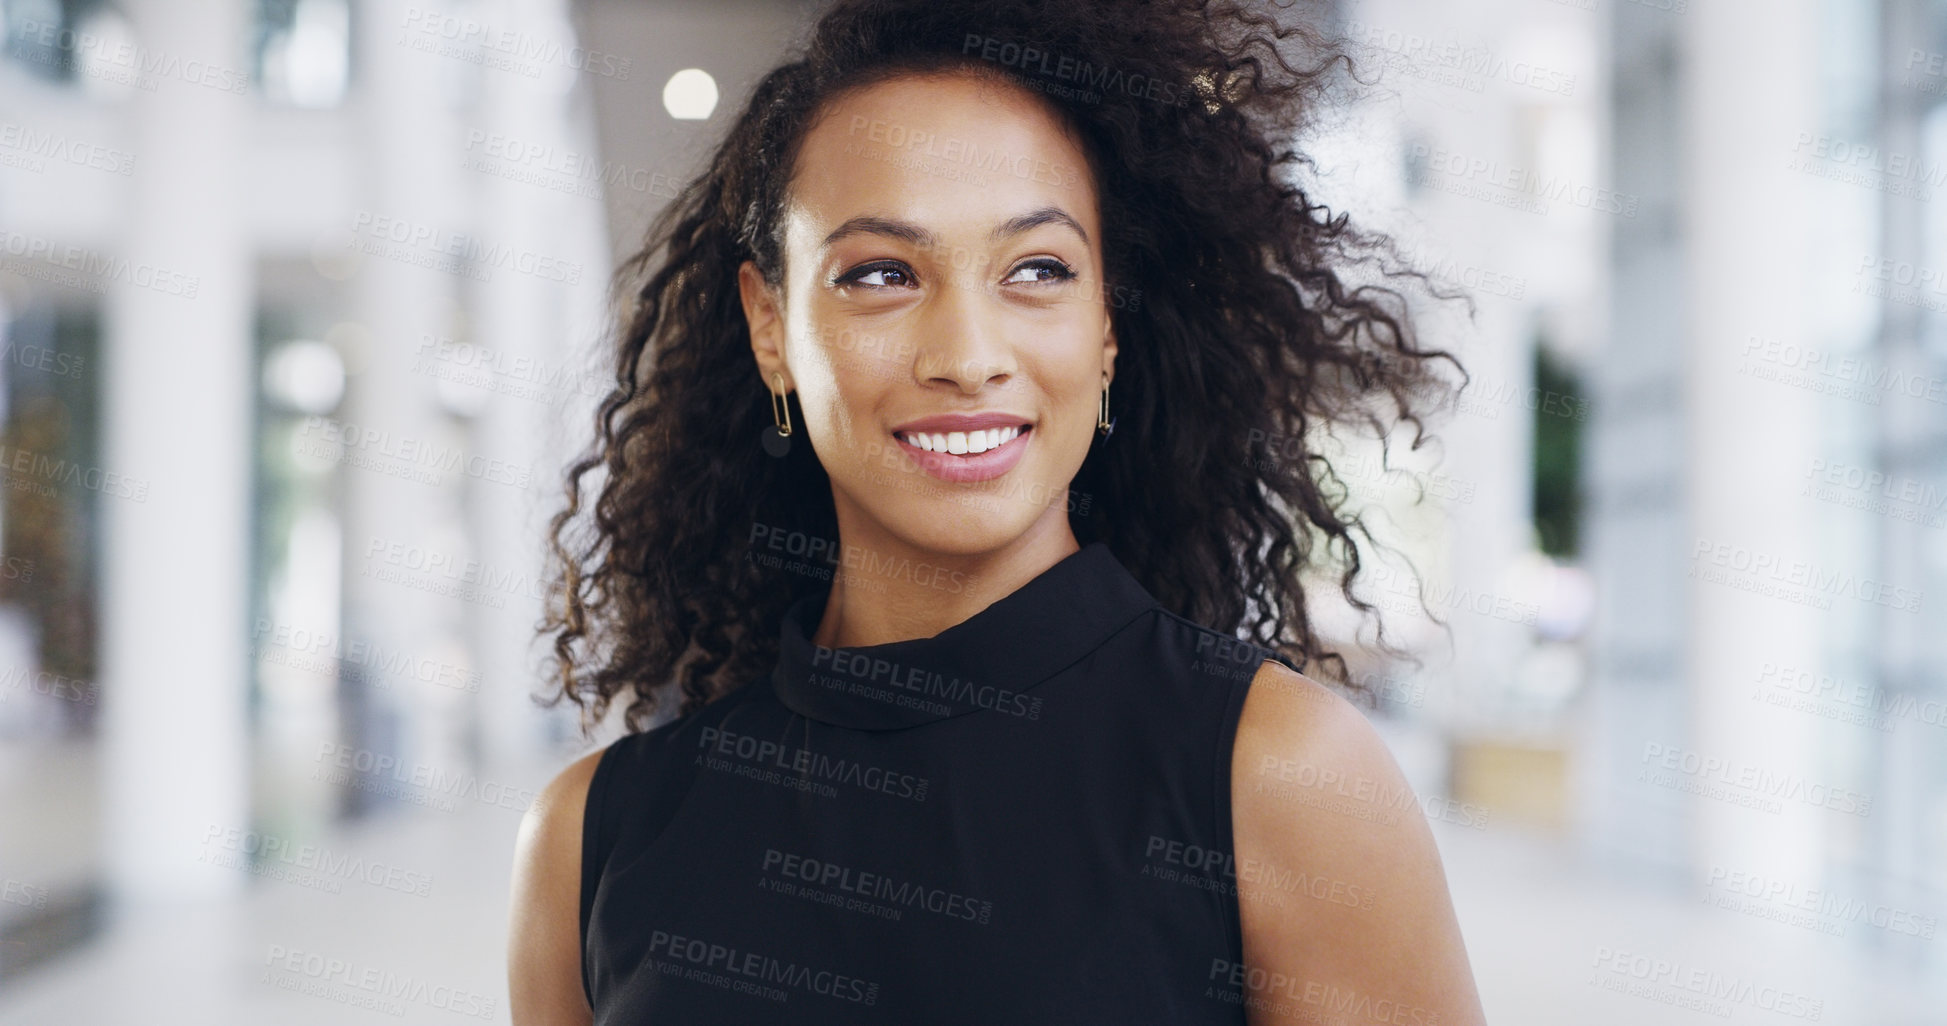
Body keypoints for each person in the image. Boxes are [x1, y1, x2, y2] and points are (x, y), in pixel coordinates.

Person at [510, 0, 1485, 1022]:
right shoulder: (592, 839)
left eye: (1037, 271)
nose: (968, 355)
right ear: (770, 327)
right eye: (882, 275)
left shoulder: (1280, 781)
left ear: (1108, 326)